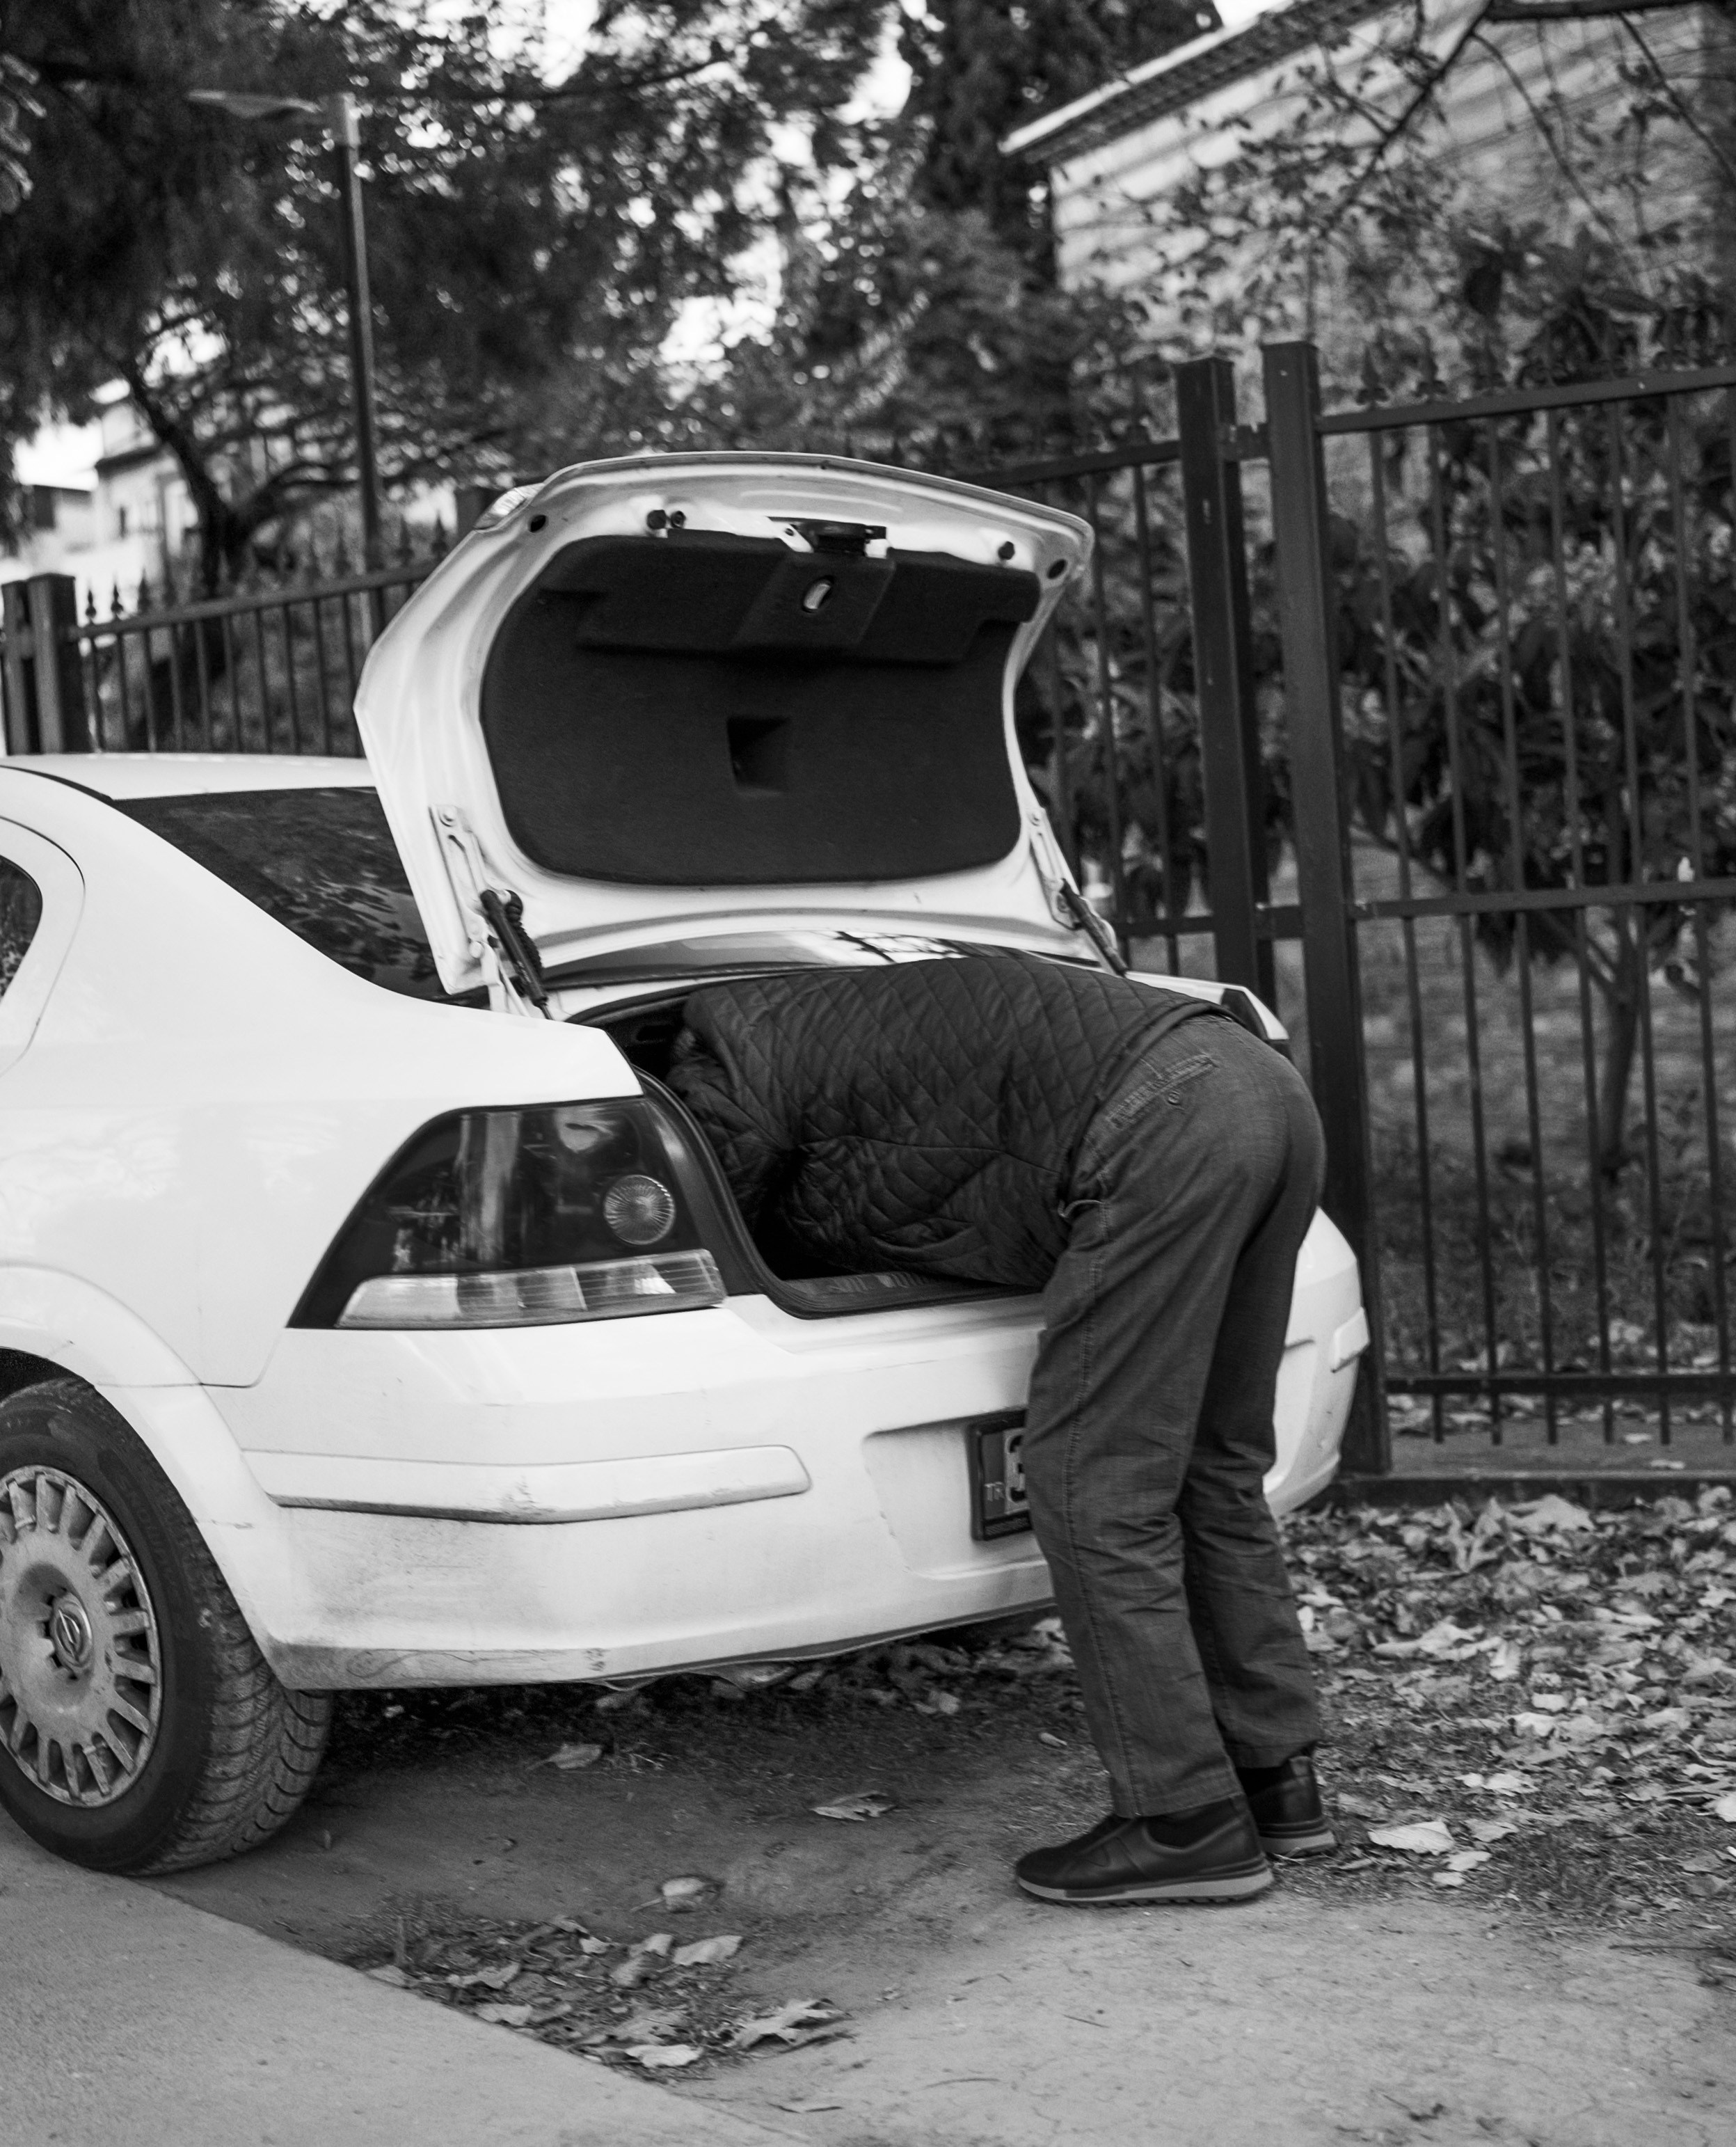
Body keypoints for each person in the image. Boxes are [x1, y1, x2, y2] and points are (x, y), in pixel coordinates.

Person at [668, 948, 1336, 1906]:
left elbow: (734, 1179)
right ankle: (1277, 1780)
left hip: (1165, 1121)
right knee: (1211, 1459)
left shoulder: (722, 1051)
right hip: (1263, 1088)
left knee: (1092, 1483)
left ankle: (1183, 1818)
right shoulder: (844, 1003)